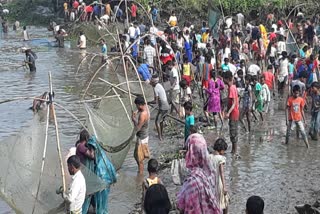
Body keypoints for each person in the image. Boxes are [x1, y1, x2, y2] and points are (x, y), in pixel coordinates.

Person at [177, 133, 221, 213]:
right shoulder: (211, 173)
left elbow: (181, 206)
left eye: (187, 150)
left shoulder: (191, 181)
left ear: (192, 152)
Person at [81, 135, 117, 214]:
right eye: (90, 149)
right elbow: (113, 174)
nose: (91, 153)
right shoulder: (101, 159)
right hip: (103, 185)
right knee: (101, 205)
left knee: (101, 205)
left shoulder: (100, 164)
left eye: (92, 150)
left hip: (102, 187)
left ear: (96, 149)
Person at [209, 138, 229, 214]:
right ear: (221, 150)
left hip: (211, 183)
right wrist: (224, 186)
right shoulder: (220, 158)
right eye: (224, 151)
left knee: (214, 202)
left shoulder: (209, 157)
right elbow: (222, 173)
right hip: (219, 183)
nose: (224, 153)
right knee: (225, 201)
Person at [132, 96, 150, 174]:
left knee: (139, 158)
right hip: (144, 136)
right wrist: (136, 112)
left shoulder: (143, 115)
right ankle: (140, 171)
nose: (136, 107)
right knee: (137, 156)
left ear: (140, 104)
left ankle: (141, 174)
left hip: (142, 138)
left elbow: (138, 128)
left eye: (137, 105)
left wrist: (133, 120)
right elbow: (140, 109)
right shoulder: (145, 109)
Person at [223, 71, 240, 155]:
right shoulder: (232, 87)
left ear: (227, 79)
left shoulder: (232, 88)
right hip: (234, 113)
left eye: (224, 79)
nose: (223, 80)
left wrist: (228, 113)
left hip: (233, 113)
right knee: (233, 131)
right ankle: (233, 151)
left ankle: (234, 151)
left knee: (233, 133)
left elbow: (233, 103)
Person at [150, 76, 170, 141]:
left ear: (154, 82)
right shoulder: (159, 85)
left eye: (151, 82)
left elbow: (155, 101)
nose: (151, 83)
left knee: (157, 122)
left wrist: (147, 102)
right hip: (166, 106)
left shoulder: (156, 88)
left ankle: (160, 137)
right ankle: (161, 134)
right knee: (161, 121)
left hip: (163, 107)